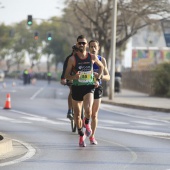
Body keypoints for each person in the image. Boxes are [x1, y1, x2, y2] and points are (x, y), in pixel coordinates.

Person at [65, 35, 104, 147]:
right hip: (77, 88)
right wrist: (74, 77)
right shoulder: (72, 59)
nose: (81, 45)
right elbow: (67, 75)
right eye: (79, 43)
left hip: (88, 87)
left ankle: (87, 124)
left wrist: (98, 78)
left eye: (83, 43)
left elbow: (101, 67)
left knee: (88, 110)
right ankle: (81, 134)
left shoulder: (91, 57)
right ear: (77, 44)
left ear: (86, 45)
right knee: (77, 115)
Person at [88, 39, 110, 145]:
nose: (93, 49)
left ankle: (92, 136)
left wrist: (99, 76)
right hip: (86, 87)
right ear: (88, 48)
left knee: (94, 114)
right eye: (91, 46)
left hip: (97, 87)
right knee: (88, 112)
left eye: (95, 47)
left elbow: (108, 76)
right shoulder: (85, 59)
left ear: (98, 48)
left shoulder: (102, 60)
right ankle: (85, 127)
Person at [60, 45, 77, 120]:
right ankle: (70, 110)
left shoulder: (83, 57)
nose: (77, 52)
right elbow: (65, 69)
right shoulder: (69, 58)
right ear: (73, 51)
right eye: (75, 50)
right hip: (71, 75)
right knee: (72, 91)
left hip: (81, 77)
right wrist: (63, 78)